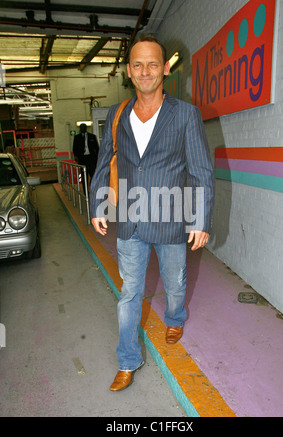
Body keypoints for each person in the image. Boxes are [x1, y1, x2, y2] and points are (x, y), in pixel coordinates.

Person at [90, 34, 215, 392]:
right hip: (130, 218)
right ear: (129, 71)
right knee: (130, 292)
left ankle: (176, 317)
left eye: (153, 64)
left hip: (172, 218)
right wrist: (99, 206)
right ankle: (128, 360)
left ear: (166, 69)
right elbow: (105, 162)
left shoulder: (186, 115)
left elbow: (201, 171)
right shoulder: (117, 115)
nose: (146, 71)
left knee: (175, 285)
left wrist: (200, 220)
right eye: (138, 64)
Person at [73, 123, 99, 194]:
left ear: (86, 128)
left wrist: (97, 158)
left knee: (93, 175)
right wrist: (77, 157)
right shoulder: (77, 138)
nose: (82, 129)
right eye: (81, 128)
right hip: (82, 159)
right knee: (84, 177)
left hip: (91, 159)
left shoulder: (92, 136)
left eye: (83, 127)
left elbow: (97, 148)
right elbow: (74, 149)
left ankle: (92, 189)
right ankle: (85, 192)